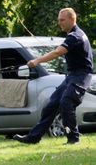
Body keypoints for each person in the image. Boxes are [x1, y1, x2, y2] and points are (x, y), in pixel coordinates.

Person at [13, 8, 93, 145]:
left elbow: (57, 53)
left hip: (81, 76)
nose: (59, 23)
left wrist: (36, 61)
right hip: (72, 76)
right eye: (58, 20)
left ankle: (73, 138)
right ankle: (33, 138)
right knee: (51, 106)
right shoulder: (73, 35)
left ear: (72, 19)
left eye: (62, 20)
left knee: (66, 102)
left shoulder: (76, 36)